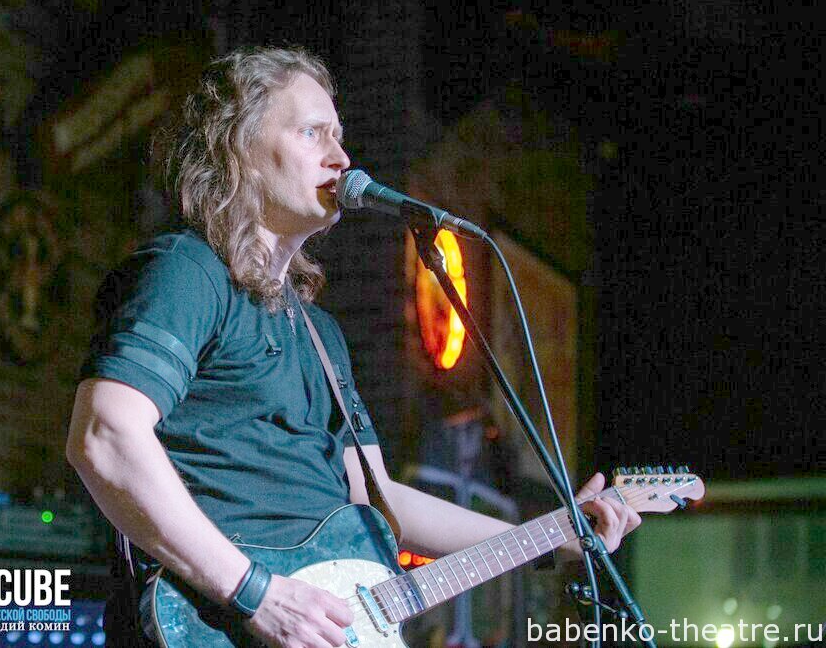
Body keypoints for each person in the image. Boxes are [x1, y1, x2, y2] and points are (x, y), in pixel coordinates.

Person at [66, 46, 641, 648]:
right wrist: (255, 593)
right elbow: (106, 435)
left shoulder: (320, 334)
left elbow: (379, 498)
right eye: (312, 132)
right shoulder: (189, 273)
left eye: (339, 137)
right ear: (239, 148)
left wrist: (552, 537)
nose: (341, 158)